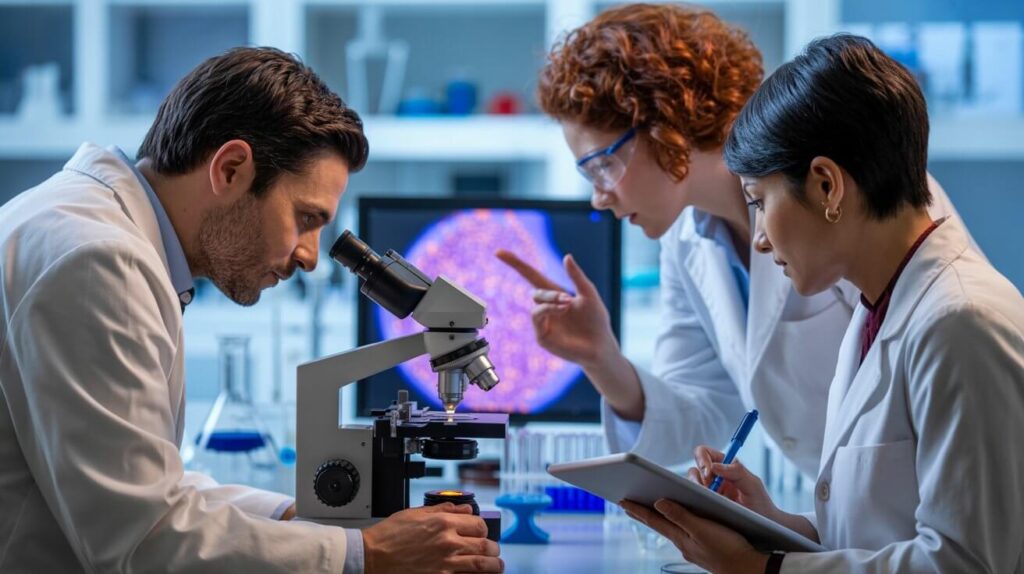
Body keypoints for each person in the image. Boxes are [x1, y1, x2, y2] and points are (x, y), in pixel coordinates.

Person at [0, 47, 502, 574]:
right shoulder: (101, 260)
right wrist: (366, 556)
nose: (310, 255)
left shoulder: (94, 228)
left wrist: (296, 518)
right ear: (232, 169)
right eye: (306, 217)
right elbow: (144, 542)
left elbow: (150, 485)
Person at [497, 3, 972, 478]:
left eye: (601, 165)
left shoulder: (840, 191)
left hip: (932, 497)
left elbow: (951, 362)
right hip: (850, 516)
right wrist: (600, 358)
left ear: (666, 124)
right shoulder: (686, 238)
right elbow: (702, 416)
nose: (599, 197)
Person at [621, 34, 1024, 573]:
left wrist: (760, 569)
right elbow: (873, 533)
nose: (760, 238)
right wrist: (771, 527)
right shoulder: (874, 312)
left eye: (761, 203)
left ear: (828, 185)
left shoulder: (962, 322)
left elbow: (964, 563)